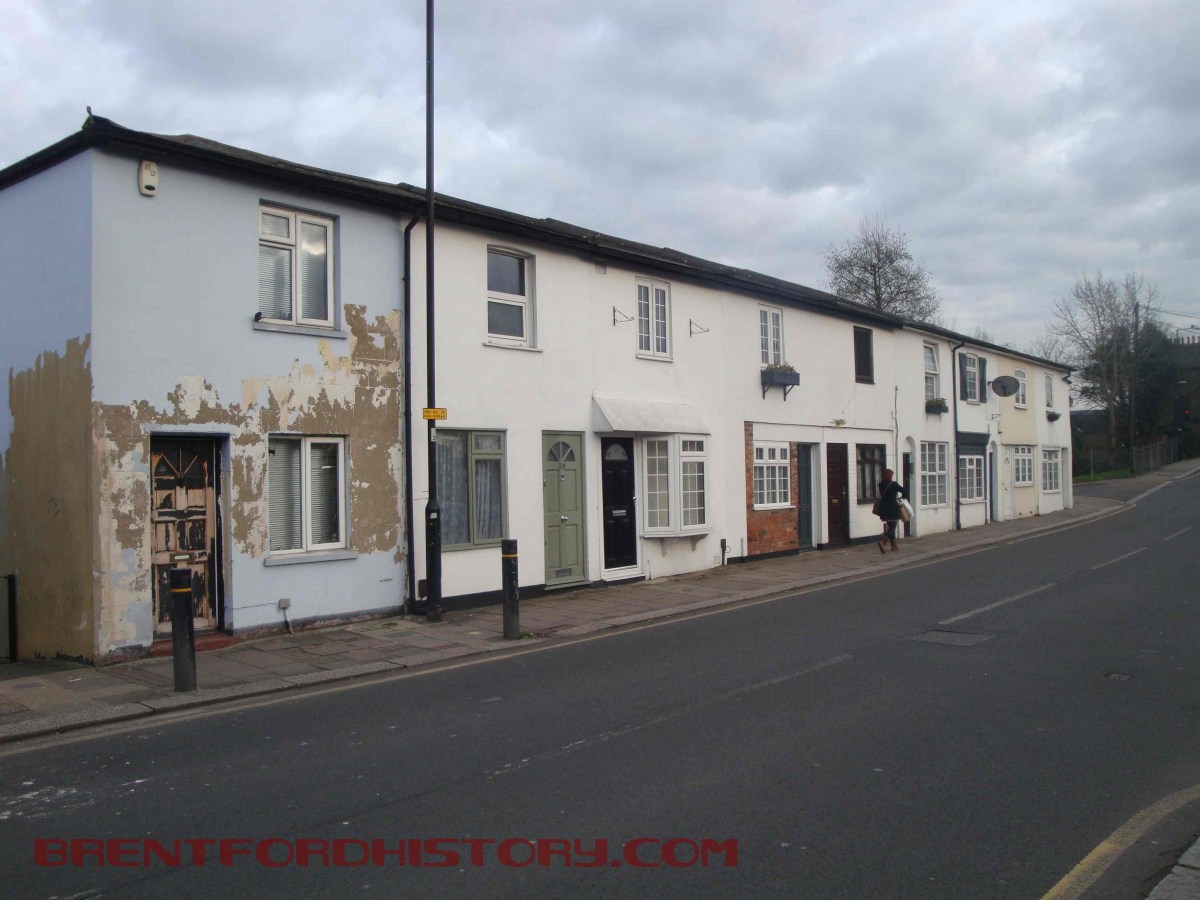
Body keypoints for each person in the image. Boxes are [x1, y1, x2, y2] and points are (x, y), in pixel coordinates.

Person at [876, 468, 907, 553]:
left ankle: (894, 546)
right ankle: (883, 542)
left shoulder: (881, 484)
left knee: (890, 526)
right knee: (892, 528)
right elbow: (904, 491)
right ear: (890, 476)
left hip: (883, 508)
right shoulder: (894, 484)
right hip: (893, 508)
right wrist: (902, 497)